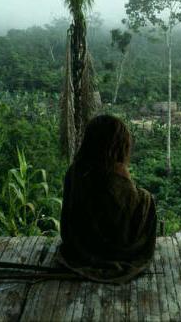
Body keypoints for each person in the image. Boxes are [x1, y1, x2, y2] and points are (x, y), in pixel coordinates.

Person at [58, 114, 157, 283]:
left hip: (79, 248)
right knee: (147, 199)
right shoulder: (114, 177)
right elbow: (130, 207)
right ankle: (124, 250)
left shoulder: (75, 170)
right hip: (112, 250)